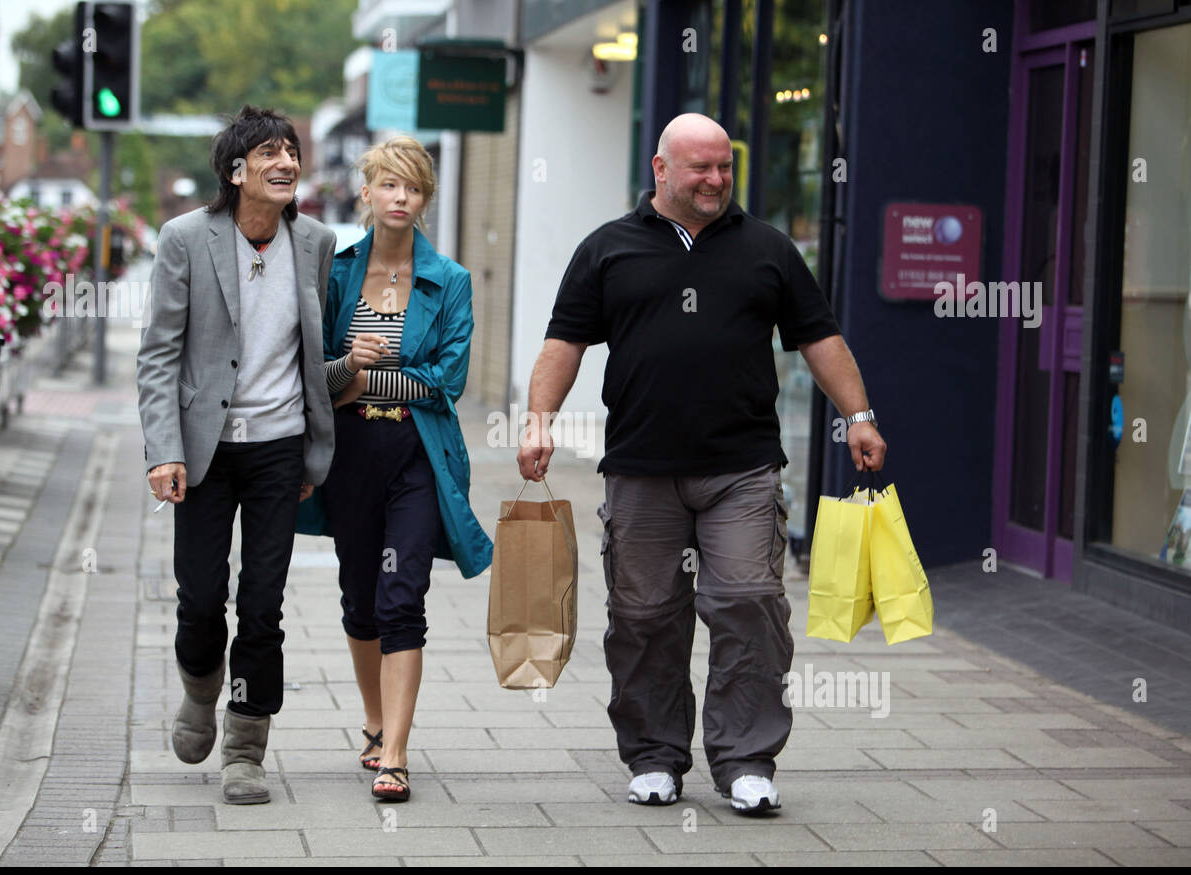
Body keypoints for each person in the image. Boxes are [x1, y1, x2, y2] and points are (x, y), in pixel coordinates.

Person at [517, 113, 887, 815]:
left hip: (741, 467)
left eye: (724, 167)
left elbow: (819, 338)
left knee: (748, 603)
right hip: (640, 467)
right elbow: (563, 343)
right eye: (700, 168)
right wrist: (539, 423)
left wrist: (859, 417)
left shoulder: (768, 249)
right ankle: (655, 756)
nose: (716, 180)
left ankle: (746, 760)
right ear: (661, 170)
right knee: (644, 614)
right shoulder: (608, 249)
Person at [137, 105, 337, 805]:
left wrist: (328, 420)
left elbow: (313, 354)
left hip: (280, 448)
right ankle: (199, 687)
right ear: (236, 170)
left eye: (293, 151)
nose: (287, 163)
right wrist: (163, 450)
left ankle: (245, 747)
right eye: (270, 153)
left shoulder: (315, 241)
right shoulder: (186, 239)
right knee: (200, 599)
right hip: (204, 453)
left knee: (262, 606)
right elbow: (159, 353)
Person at [296, 136, 492, 802]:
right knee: (360, 597)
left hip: (417, 456)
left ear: (426, 198)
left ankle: (397, 755)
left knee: (401, 595)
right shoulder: (338, 272)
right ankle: (376, 723)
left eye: (413, 188)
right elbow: (312, 373)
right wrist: (351, 369)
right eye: (389, 185)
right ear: (367, 192)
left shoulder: (451, 281)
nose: (400, 198)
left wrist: (376, 376)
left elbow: (449, 381)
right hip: (349, 456)